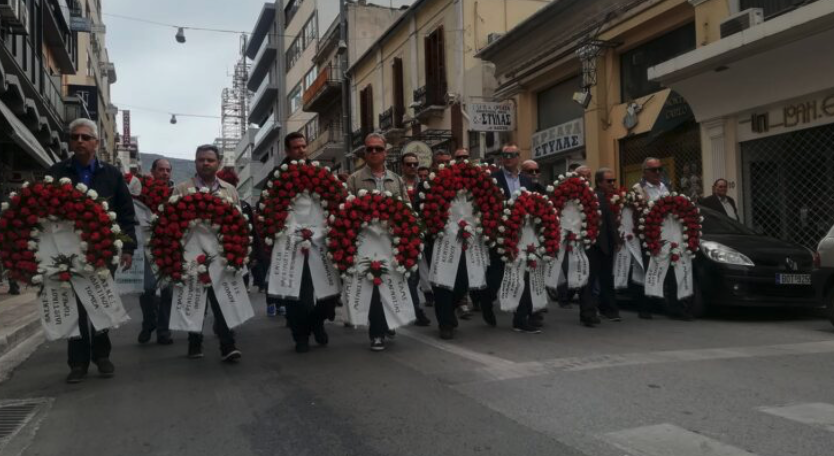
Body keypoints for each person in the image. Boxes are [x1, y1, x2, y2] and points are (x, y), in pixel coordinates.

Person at [48, 118, 137, 383]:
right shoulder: (55, 173)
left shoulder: (111, 174)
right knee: (75, 307)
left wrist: (129, 247)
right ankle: (77, 362)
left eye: (86, 137)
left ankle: (102, 356)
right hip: (67, 252)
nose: (80, 141)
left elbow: (125, 212)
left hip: (103, 250)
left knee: (100, 300)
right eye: (75, 137)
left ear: (96, 142)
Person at [271, 132, 340, 352]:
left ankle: (316, 323)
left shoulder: (319, 172)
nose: (301, 150)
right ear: (288, 151)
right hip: (291, 243)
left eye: (303, 146)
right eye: (296, 147)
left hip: (320, 241)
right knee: (295, 294)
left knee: (328, 292)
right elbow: (270, 209)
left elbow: (334, 199)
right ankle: (300, 335)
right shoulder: (278, 176)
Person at [173, 144, 243, 362]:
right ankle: (195, 342)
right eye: (201, 159)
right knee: (194, 298)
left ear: (218, 163)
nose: (205, 163)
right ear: (195, 162)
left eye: (210, 160)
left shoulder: (229, 190)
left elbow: (239, 222)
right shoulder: (182, 189)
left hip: (220, 253)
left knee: (222, 299)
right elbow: (170, 221)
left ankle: (227, 345)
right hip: (192, 254)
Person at [347, 133, 409, 350]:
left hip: (392, 241)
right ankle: (377, 332)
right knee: (374, 286)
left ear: (386, 152)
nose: (374, 152)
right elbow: (346, 212)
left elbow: (407, 210)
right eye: (369, 149)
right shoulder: (354, 180)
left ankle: (388, 322)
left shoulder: (397, 180)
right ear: (365, 153)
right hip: (367, 243)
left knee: (392, 283)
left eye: (378, 149)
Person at [491, 144, 538, 332]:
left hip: (522, 235)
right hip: (501, 233)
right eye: (505, 155)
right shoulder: (493, 179)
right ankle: (486, 302)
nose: (508, 158)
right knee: (495, 277)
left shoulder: (527, 180)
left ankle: (521, 318)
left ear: (519, 157)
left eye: (512, 155)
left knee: (522, 275)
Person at [138, 158, 174, 346]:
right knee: (146, 289)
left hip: (167, 247)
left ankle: (163, 331)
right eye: (161, 169)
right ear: (152, 171)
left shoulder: (175, 194)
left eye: (168, 170)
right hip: (145, 247)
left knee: (167, 290)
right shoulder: (140, 193)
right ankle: (148, 322)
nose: (165, 173)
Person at [580, 168, 622, 327]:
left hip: (606, 244)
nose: (612, 184)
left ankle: (609, 309)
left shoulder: (608, 197)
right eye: (608, 181)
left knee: (606, 279)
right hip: (593, 244)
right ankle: (588, 313)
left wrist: (617, 240)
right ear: (599, 182)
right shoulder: (593, 196)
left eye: (613, 181)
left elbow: (611, 221)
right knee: (590, 280)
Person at [400, 152, 432, 327]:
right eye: (408, 164)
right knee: (411, 276)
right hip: (405, 235)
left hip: (424, 234)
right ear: (402, 166)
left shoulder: (425, 184)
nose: (412, 167)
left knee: (426, 271)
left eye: (415, 164)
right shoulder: (397, 183)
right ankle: (415, 309)